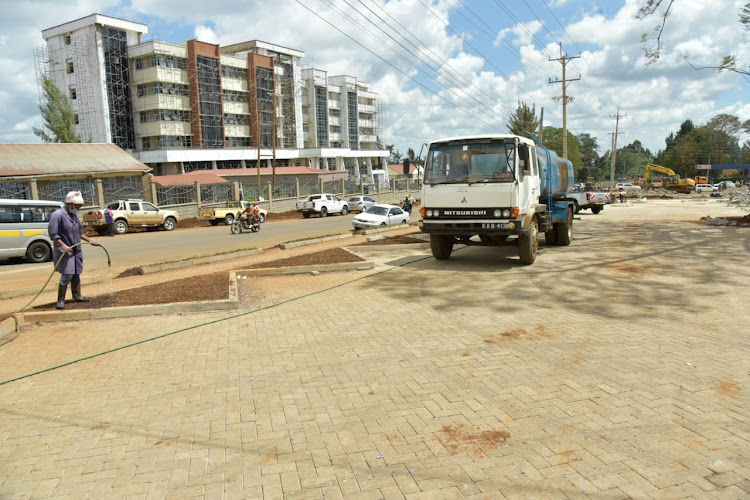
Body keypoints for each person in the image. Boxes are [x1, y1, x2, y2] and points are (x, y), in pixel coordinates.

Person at [48, 190, 100, 310]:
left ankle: (77, 295)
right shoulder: (57, 215)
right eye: (77, 207)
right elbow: (54, 234)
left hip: (76, 250)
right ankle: (60, 300)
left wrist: (90, 241)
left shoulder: (74, 216)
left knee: (76, 273)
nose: (78, 209)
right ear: (70, 204)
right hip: (65, 251)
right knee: (67, 274)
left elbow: (80, 232)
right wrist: (63, 245)